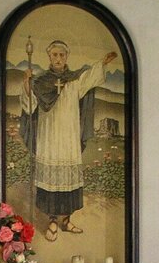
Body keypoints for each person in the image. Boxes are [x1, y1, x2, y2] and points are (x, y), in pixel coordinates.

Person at [20, 40, 117, 241]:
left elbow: (91, 78)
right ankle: (53, 220)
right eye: (54, 55)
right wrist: (27, 84)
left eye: (61, 55)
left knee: (68, 179)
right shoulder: (40, 82)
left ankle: (66, 220)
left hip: (69, 136)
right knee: (51, 179)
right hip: (49, 137)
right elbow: (29, 107)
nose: (58, 59)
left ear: (66, 57)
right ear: (49, 57)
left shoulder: (74, 81)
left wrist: (103, 63)